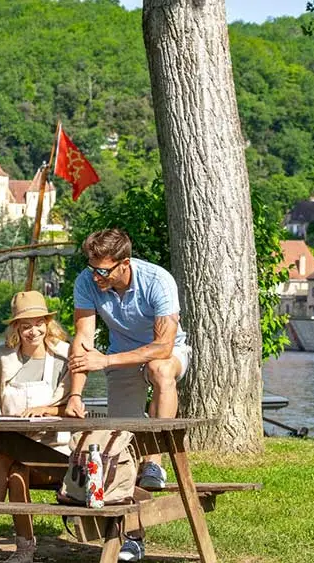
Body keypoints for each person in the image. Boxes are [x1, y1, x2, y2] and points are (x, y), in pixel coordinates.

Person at [66, 228, 191, 562]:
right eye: (93, 268)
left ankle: (156, 461)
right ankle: (132, 538)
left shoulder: (158, 281)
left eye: (103, 270)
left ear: (124, 263)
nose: (97, 276)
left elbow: (163, 345)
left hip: (164, 352)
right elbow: (83, 338)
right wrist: (74, 395)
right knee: (120, 441)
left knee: (161, 370)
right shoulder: (86, 281)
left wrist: (104, 359)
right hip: (120, 357)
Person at [0, 291, 71, 563]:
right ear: (16, 327)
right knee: (14, 468)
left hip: (54, 454)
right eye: (26, 325)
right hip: (15, 451)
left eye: (39, 323)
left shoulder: (64, 357)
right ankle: (23, 550)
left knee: (6, 457)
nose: (33, 331)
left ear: (48, 323)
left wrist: (49, 410)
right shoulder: (1, 358)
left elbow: (74, 408)